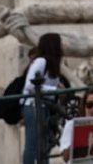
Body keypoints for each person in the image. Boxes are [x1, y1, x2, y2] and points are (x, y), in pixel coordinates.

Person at [22, 33, 64, 164]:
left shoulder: (52, 64)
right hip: (34, 106)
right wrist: (54, 90)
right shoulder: (41, 61)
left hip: (46, 106)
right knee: (32, 144)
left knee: (44, 144)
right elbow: (30, 85)